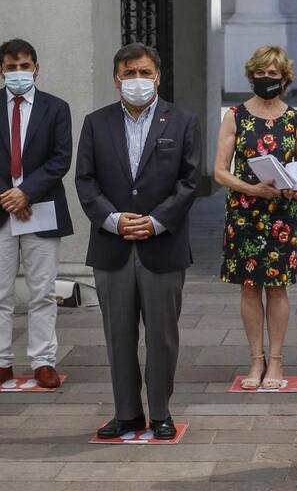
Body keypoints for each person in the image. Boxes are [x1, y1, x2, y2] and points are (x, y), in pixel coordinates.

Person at [75, 42, 201, 440]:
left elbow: (190, 180)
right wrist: (112, 220)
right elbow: (85, 180)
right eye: (129, 74)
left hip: (162, 245)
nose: (137, 81)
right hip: (113, 245)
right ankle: (127, 413)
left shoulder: (182, 121)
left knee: (162, 336)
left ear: (158, 76)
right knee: (118, 335)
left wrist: (157, 221)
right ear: (116, 79)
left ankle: (161, 412)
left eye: (145, 73)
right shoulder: (96, 123)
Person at [215, 46, 297, 390]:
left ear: (284, 79)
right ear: (250, 75)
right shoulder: (235, 116)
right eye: (261, 72)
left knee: (278, 288)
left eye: (273, 74)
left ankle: (277, 361)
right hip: (244, 213)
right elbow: (219, 171)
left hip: (281, 215)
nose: (266, 78)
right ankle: (255, 360)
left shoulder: (296, 119)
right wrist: (251, 189)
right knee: (250, 288)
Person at [0, 38, 73, 388]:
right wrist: (10, 197)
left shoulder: (55, 108)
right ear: (1, 69)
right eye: (11, 67)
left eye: (24, 66)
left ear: (36, 68)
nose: (18, 73)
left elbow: (60, 159)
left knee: (42, 290)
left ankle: (43, 360)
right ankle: (2, 361)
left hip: (41, 209)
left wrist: (26, 193)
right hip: (1, 210)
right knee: (0, 293)